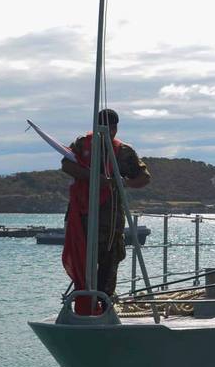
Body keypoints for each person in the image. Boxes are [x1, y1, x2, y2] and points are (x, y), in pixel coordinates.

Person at [60, 109, 151, 306]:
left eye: (112, 128)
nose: (109, 132)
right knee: (81, 258)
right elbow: (66, 165)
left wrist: (122, 182)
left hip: (110, 220)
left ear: (116, 128)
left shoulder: (123, 151)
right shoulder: (82, 144)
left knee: (110, 260)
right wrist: (93, 177)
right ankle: (84, 301)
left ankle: (104, 303)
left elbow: (144, 177)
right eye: (104, 128)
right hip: (82, 214)